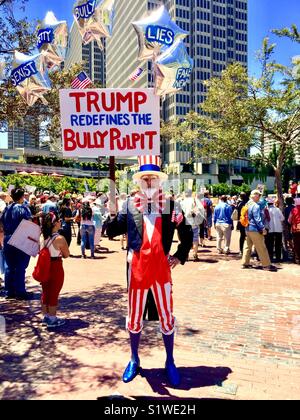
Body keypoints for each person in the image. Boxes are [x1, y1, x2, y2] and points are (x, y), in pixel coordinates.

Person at [107, 156, 193, 387]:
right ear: (139, 182)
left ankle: (170, 361)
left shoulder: (171, 206)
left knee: (166, 315)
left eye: (152, 178)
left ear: (159, 181)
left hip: (161, 270)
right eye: (144, 178)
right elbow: (111, 232)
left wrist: (179, 255)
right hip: (136, 270)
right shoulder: (129, 204)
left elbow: (187, 233)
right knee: (134, 317)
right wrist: (111, 213)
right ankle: (134, 359)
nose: (148, 181)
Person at [1, 188, 33, 299]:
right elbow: (29, 224)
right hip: (20, 238)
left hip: (7, 238)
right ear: (22, 196)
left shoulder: (6, 208)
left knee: (9, 266)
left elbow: (1, 224)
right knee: (20, 266)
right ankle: (20, 292)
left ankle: (9, 292)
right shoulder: (24, 209)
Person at [40, 212, 70, 328]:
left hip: (44, 266)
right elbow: (66, 254)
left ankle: (46, 316)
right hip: (56, 266)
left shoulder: (43, 237)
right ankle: (52, 319)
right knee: (54, 292)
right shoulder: (59, 238)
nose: (60, 222)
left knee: (45, 291)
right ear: (55, 223)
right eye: (58, 220)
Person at [241, 190, 277, 271]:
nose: (259, 197)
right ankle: (266, 265)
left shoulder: (247, 204)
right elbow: (257, 219)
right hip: (255, 229)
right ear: (254, 195)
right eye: (258, 195)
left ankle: (244, 263)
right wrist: (262, 228)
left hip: (247, 228)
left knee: (247, 247)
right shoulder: (255, 206)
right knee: (261, 247)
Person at [181, 190, 205, 261]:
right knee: (195, 239)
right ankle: (195, 254)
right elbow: (201, 210)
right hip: (194, 223)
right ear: (191, 194)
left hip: (184, 224)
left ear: (185, 194)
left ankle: (186, 255)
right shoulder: (195, 201)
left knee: (185, 240)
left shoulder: (182, 202)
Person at [288, 198, 300, 264]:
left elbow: (289, 220)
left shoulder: (293, 210)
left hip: (296, 229)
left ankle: (297, 259)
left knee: (296, 244)